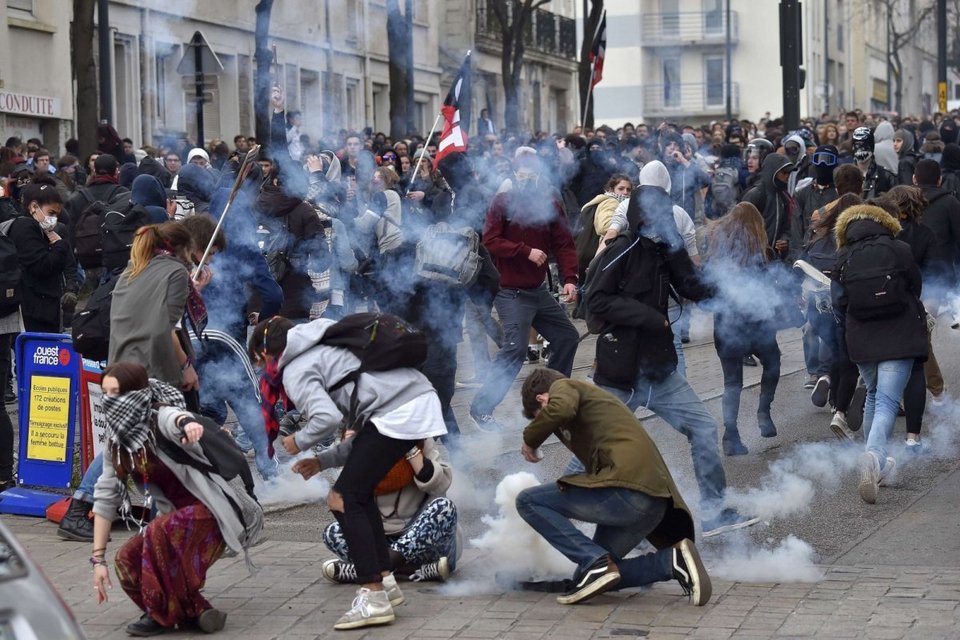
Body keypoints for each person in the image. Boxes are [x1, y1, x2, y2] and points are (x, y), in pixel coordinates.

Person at [586, 161, 758, 537]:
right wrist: (649, 317)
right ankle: (551, 514)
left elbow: (693, 286)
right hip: (622, 370)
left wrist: (734, 289)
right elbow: (595, 303)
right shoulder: (622, 248)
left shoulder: (667, 248)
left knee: (701, 427)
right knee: (594, 445)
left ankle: (714, 511)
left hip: (659, 369)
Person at [250, 316, 447, 630]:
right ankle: (385, 580)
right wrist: (323, 460)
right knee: (355, 493)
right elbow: (362, 438)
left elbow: (326, 419)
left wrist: (297, 442)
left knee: (343, 498)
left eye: (259, 364)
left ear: (265, 356)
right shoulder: (325, 341)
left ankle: (373, 597)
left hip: (398, 412)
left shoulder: (296, 369)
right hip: (411, 402)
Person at [91, 361, 263, 636]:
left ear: (136, 394)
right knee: (126, 559)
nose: (110, 401)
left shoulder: (159, 417)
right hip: (176, 520)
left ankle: (162, 617)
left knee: (158, 532)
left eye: (117, 393)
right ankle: (195, 611)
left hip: (211, 513)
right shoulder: (118, 443)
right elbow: (105, 496)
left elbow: (177, 419)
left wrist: (188, 425)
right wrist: (97, 561)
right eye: (106, 393)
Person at [516, 368, 711, 606]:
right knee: (589, 579)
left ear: (542, 399)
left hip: (629, 490)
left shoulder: (564, 387)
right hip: (651, 502)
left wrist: (530, 438)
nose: (549, 427)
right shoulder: (593, 405)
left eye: (539, 416)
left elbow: (561, 408)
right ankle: (671, 562)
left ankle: (594, 560)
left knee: (527, 500)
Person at [468, 153, 580, 432]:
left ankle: (554, 402)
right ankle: (481, 408)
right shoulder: (502, 202)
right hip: (509, 290)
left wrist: (570, 278)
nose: (527, 177)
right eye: (522, 172)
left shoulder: (550, 204)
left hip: (538, 290)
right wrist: (524, 251)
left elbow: (565, 244)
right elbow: (490, 240)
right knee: (515, 350)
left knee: (567, 337)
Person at [831, 204, 927, 504]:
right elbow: (916, 285)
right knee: (886, 400)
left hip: (861, 338)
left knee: (873, 394)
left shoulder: (843, 256)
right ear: (884, 224)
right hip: (899, 335)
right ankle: (873, 457)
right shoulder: (899, 249)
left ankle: (878, 465)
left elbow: (838, 301)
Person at [296, 435, 460, 584]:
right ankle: (411, 571)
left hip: (423, 543)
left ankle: (374, 571)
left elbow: (440, 486)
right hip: (380, 541)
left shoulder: (419, 439)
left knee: (444, 508)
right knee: (333, 532)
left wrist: (410, 450)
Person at [703, 203, 782, 455]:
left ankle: (731, 436)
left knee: (732, 383)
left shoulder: (717, 250)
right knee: (773, 362)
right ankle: (764, 411)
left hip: (726, 325)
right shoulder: (759, 250)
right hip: (757, 324)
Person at [6, 182, 72, 332]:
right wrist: (60, 246)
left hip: (38, 308)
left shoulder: (36, 229)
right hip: (34, 311)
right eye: (51, 213)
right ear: (34, 207)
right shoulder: (26, 229)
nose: (54, 219)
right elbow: (43, 266)